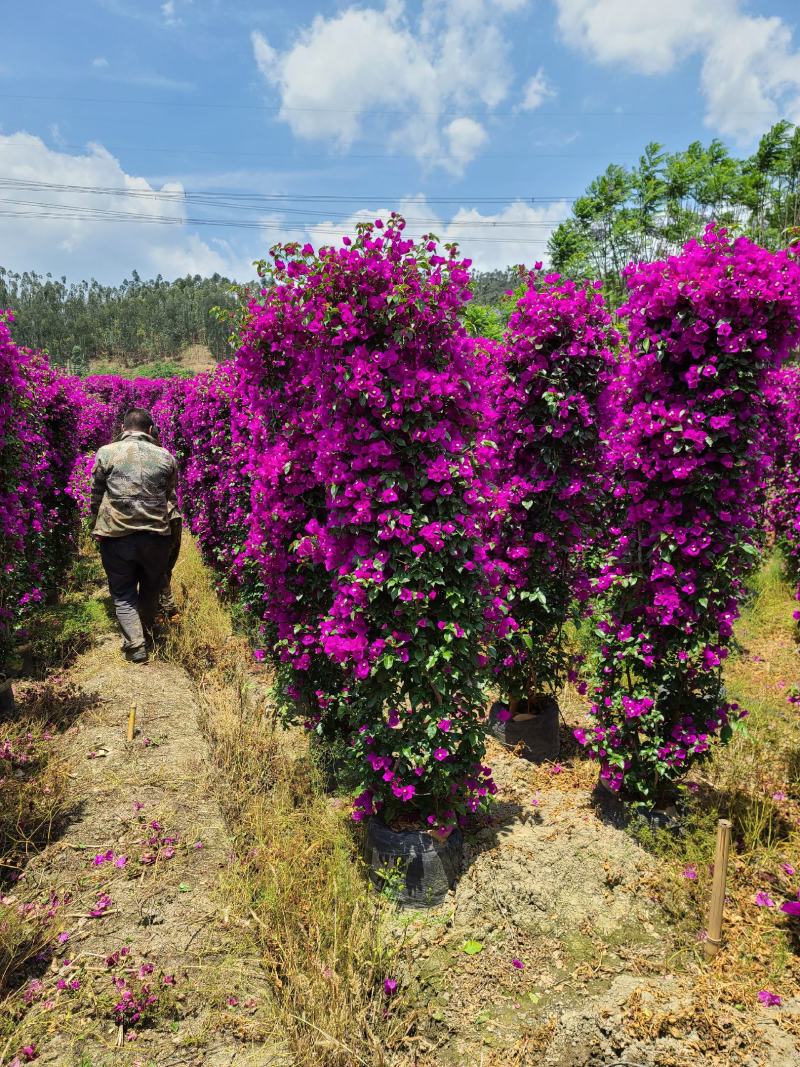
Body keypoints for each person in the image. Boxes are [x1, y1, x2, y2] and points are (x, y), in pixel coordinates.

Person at [90, 408, 179, 664]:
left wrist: (95, 525)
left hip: (117, 535)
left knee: (122, 591)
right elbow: (170, 498)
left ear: (122, 427)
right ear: (150, 430)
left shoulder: (106, 453)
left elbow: (96, 495)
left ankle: (136, 644)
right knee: (150, 588)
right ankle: (147, 633)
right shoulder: (166, 457)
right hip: (156, 537)